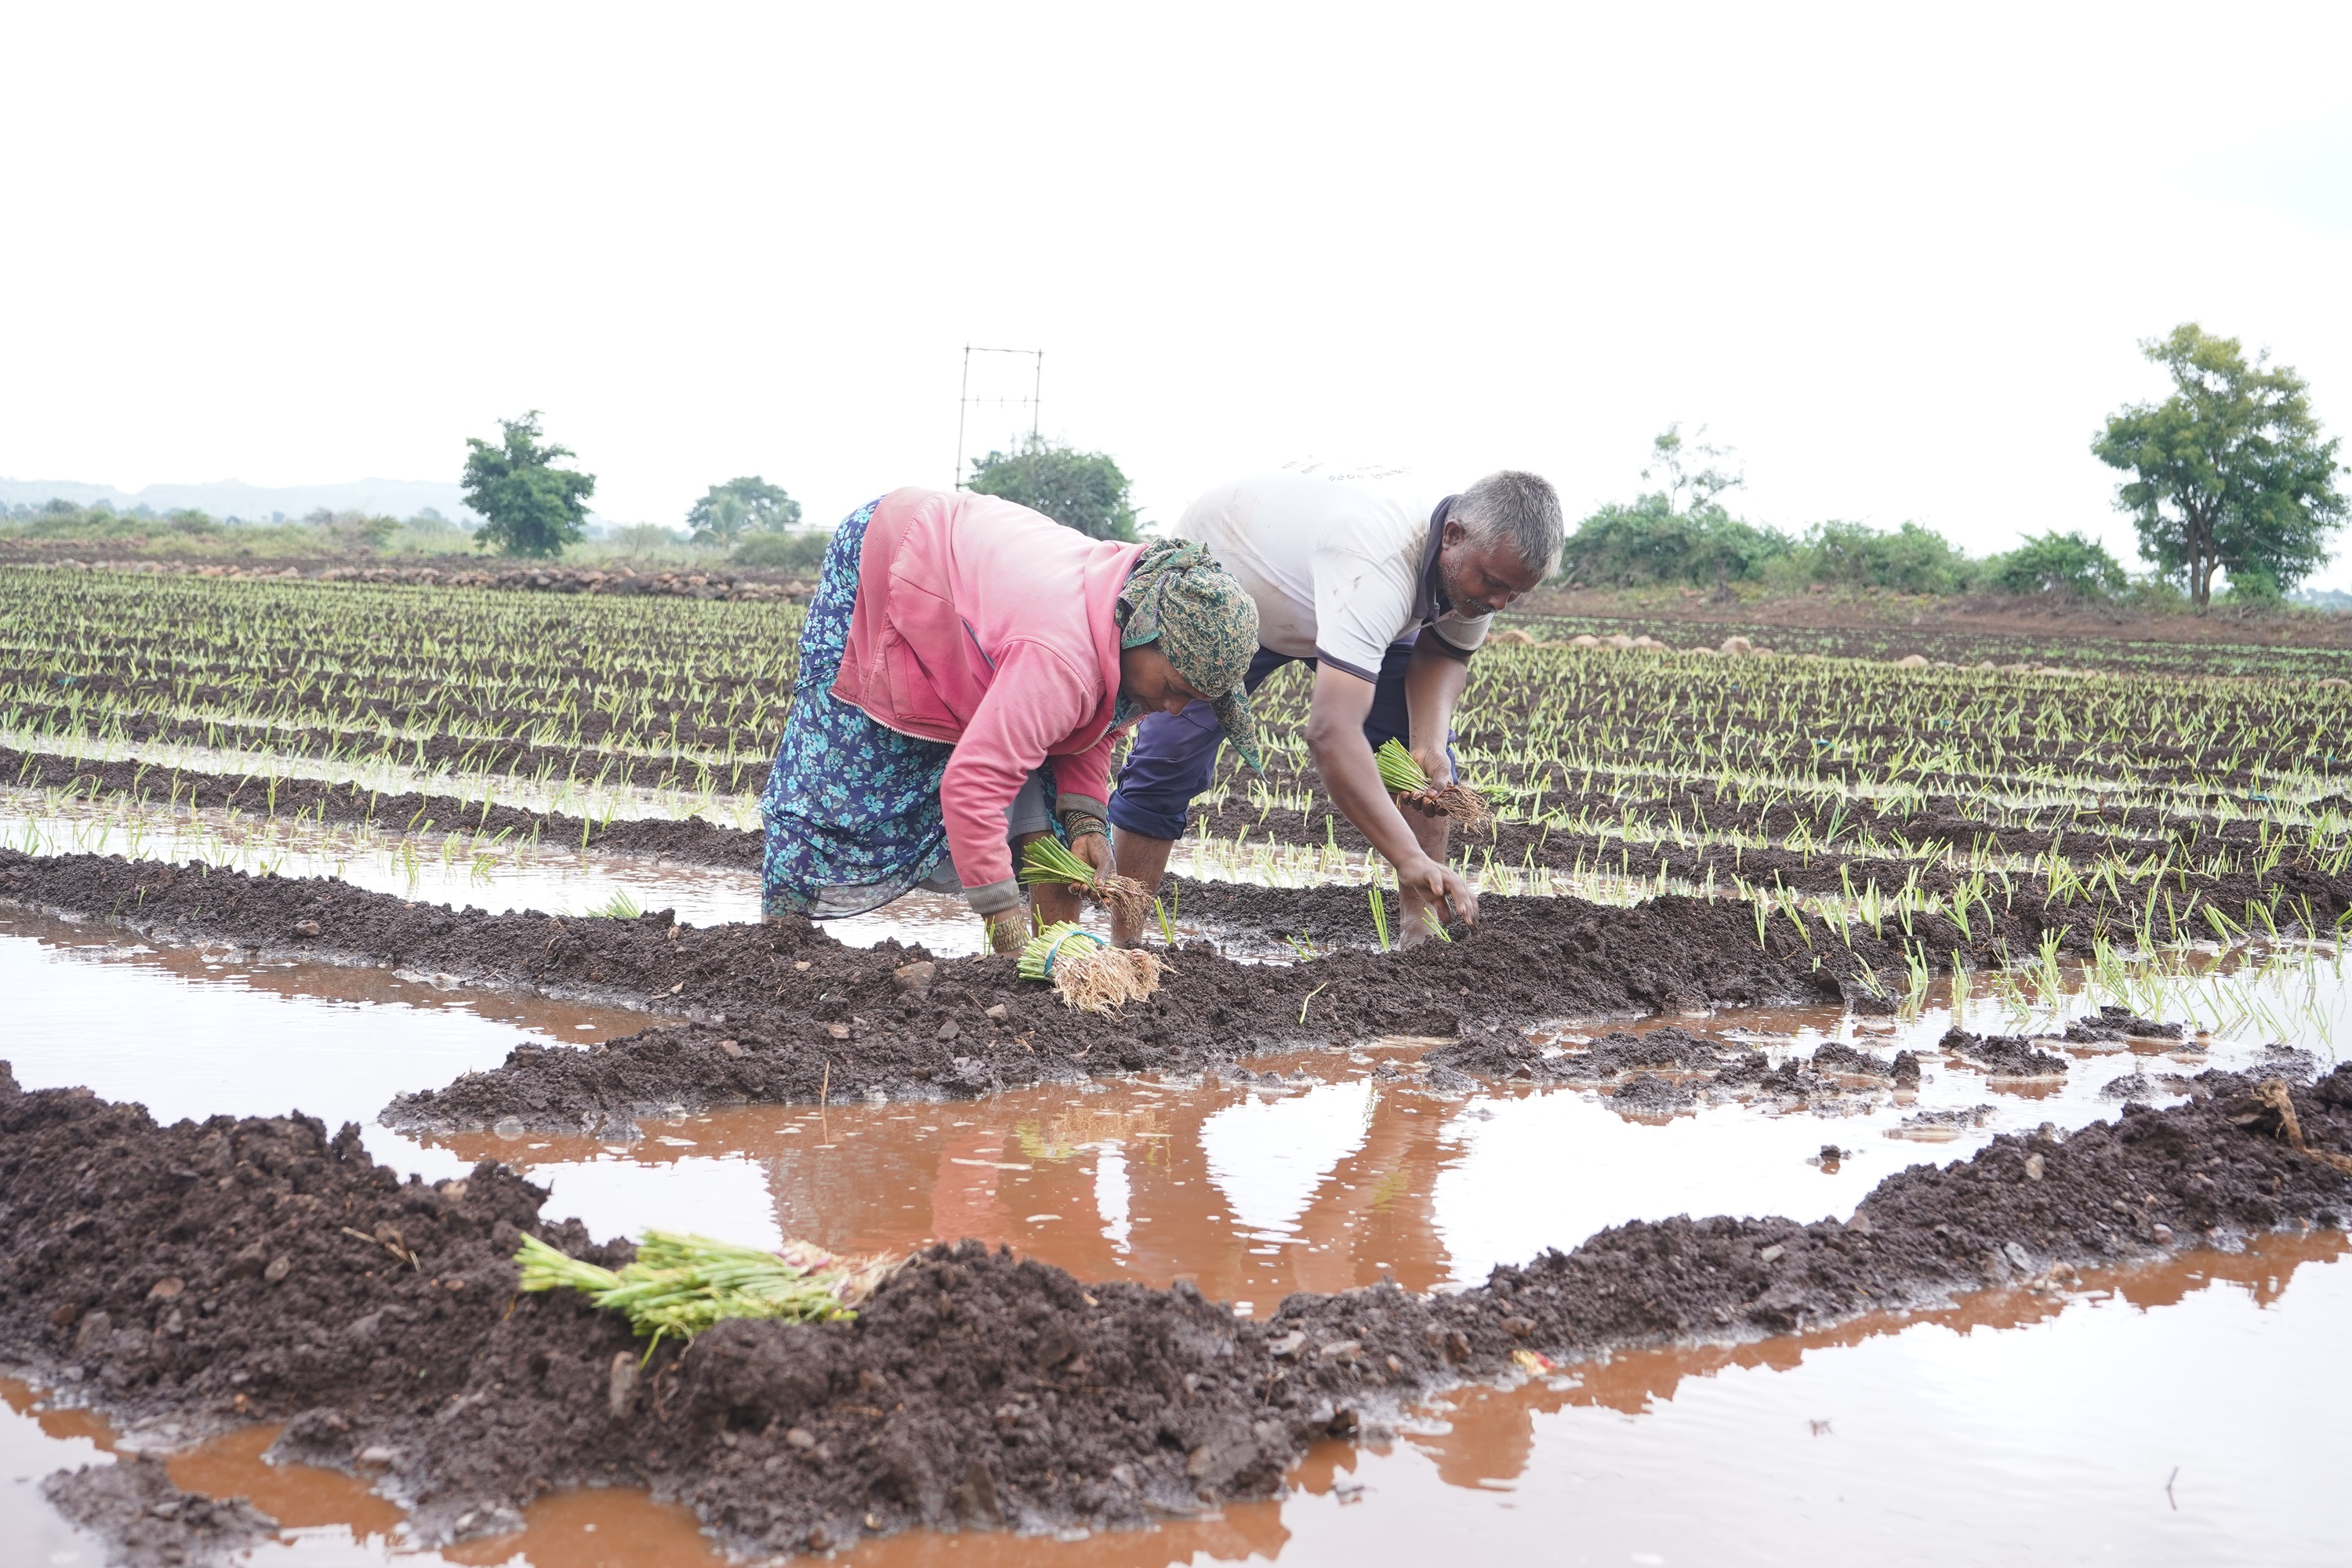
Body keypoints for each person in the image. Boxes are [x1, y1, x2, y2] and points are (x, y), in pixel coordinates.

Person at [760, 487, 1261, 956]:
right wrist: (1004, 928)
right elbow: (973, 785)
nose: (1173, 709)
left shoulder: (1132, 604)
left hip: (987, 594)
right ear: (1141, 636)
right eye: (1175, 689)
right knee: (837, 769)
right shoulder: (1060, 658)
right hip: (890, 555)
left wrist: (1086, 818)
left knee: (1044, 782)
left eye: (1191, 700)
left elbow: (1094, 720)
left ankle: (1060, 956)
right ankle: (778, 946)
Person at [1107, 470, 1563, 946]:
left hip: (1332, 595)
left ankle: (1423, 941)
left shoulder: (1478, 566)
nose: (1498, 603)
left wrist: (1427, 746)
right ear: (1452, 536)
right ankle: (1127, 947)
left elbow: (1444, 653)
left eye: (1513, 594)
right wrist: (1407, 856)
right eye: (1492, 584)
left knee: (1427, 766)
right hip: (1233, 580)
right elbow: (1331, 732)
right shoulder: (1379, 563)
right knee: (1168, 759)